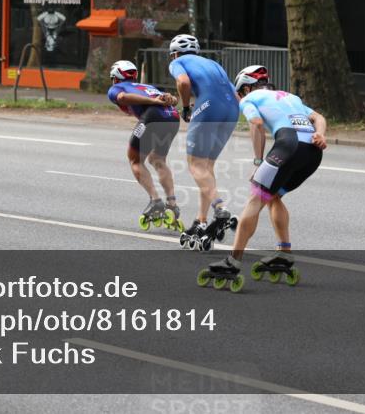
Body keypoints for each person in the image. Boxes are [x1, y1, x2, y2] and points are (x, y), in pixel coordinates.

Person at [204, 65, 327, 284]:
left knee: (256, 198)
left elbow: (257, 123)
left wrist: (258, 161)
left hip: (288, 145)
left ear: (246, 88)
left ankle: (233, 261)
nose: (240, 97)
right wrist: (320, 134)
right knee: (274, 197)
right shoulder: (290, 96)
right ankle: (284, 252)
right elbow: (318, 117)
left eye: (241, 93)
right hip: (313, 153)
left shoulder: (250, 99)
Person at [167, 34, 240, 248]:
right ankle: (201, 219)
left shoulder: (178, 62)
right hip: (232, 109)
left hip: (209, 106)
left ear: (175, 53)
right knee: (207, 166)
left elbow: (183, 81)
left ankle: (220, 208)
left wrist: (187, 106)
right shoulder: (213, 63)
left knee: (195, 165)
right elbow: (235, 95)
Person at [107, 60, 183, 231]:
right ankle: (172, 204)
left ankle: (156, 201)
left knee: (135, 159)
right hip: (173, 117)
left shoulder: (116, 88)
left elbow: (123, 98)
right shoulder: (145, 86)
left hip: (154, 116)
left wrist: (154, 102)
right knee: (158, 159)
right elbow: (171, 100)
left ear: (116, 78)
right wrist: (171, 98)